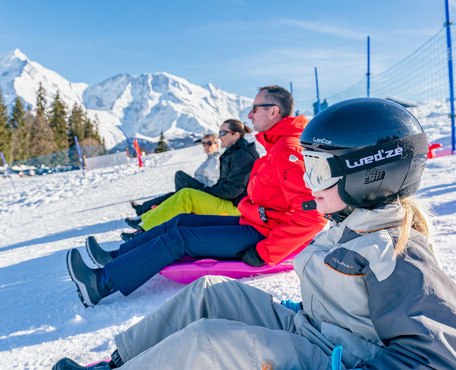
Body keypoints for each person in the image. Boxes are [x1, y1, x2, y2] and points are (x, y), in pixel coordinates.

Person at [48, 98, 456, 370]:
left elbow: (447, 366)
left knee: (210, 344)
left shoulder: (398, 254)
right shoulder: (349, 223)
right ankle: (120, 364)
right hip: (319, 333)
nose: (308, 183)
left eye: (319, 171)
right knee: (212, 293)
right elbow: (352, 304)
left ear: (368, 175)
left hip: (347, 366)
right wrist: (304, 311)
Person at [67, 85, 327, 307]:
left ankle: (100, 284)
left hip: (264, 234)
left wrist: (265, 252)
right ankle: (117, 258)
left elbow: (313, 218)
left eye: (255, 108)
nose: (249, 114)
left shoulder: (287, 149)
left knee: (180, 239)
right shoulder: (276, 145)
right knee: (180, 221)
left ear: (274, 111)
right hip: (254, 222)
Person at [123, 119, 258, 238]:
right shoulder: (235, 152)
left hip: (237, 208)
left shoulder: (242, 155)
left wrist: (205, 192)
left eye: (222, 133)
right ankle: (144, 221)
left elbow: (232, 190)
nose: (219, 137)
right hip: (233, 202)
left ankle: (144, 229)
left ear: (236, 134)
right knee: (183, 193)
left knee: (186, 195)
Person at [130, 132, 222, 217]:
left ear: (216, 145)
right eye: (204, 144)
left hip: (205, 191)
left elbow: (215, 181)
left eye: (209, 143)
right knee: (171, 195)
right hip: (201, 188)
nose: (206, 146)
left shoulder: (215, 160)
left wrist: (205, 194)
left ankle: (179, 205)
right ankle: (142, 209)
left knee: (180, 176)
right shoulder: (209, 159)